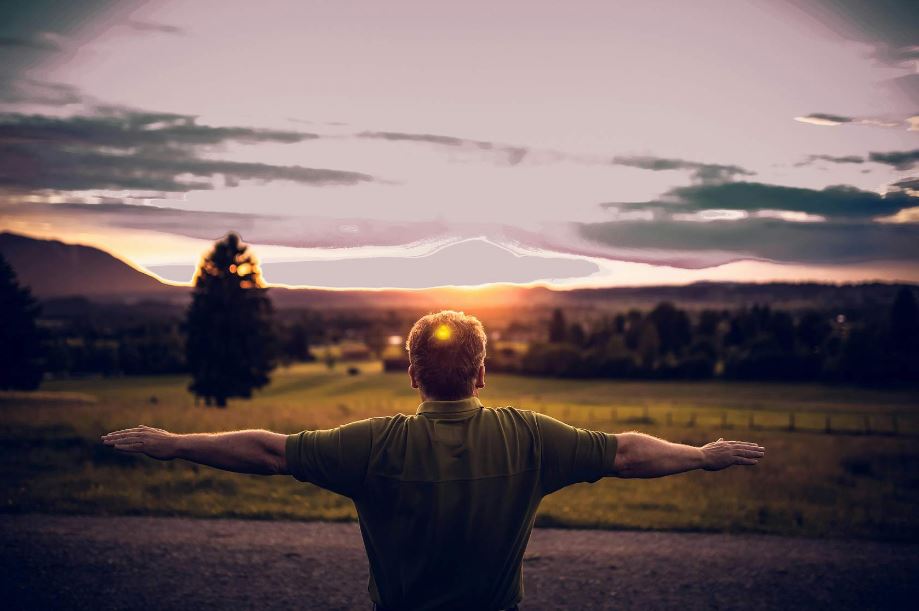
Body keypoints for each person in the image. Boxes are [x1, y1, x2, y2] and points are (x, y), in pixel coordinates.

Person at [103, 310, 765, 611]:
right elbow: (625, 451)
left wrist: (173, 442)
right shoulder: (529, 436)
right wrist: (701, 456)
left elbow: (268, 450)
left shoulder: (374, 443)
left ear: (412, 375)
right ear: (480, 374)